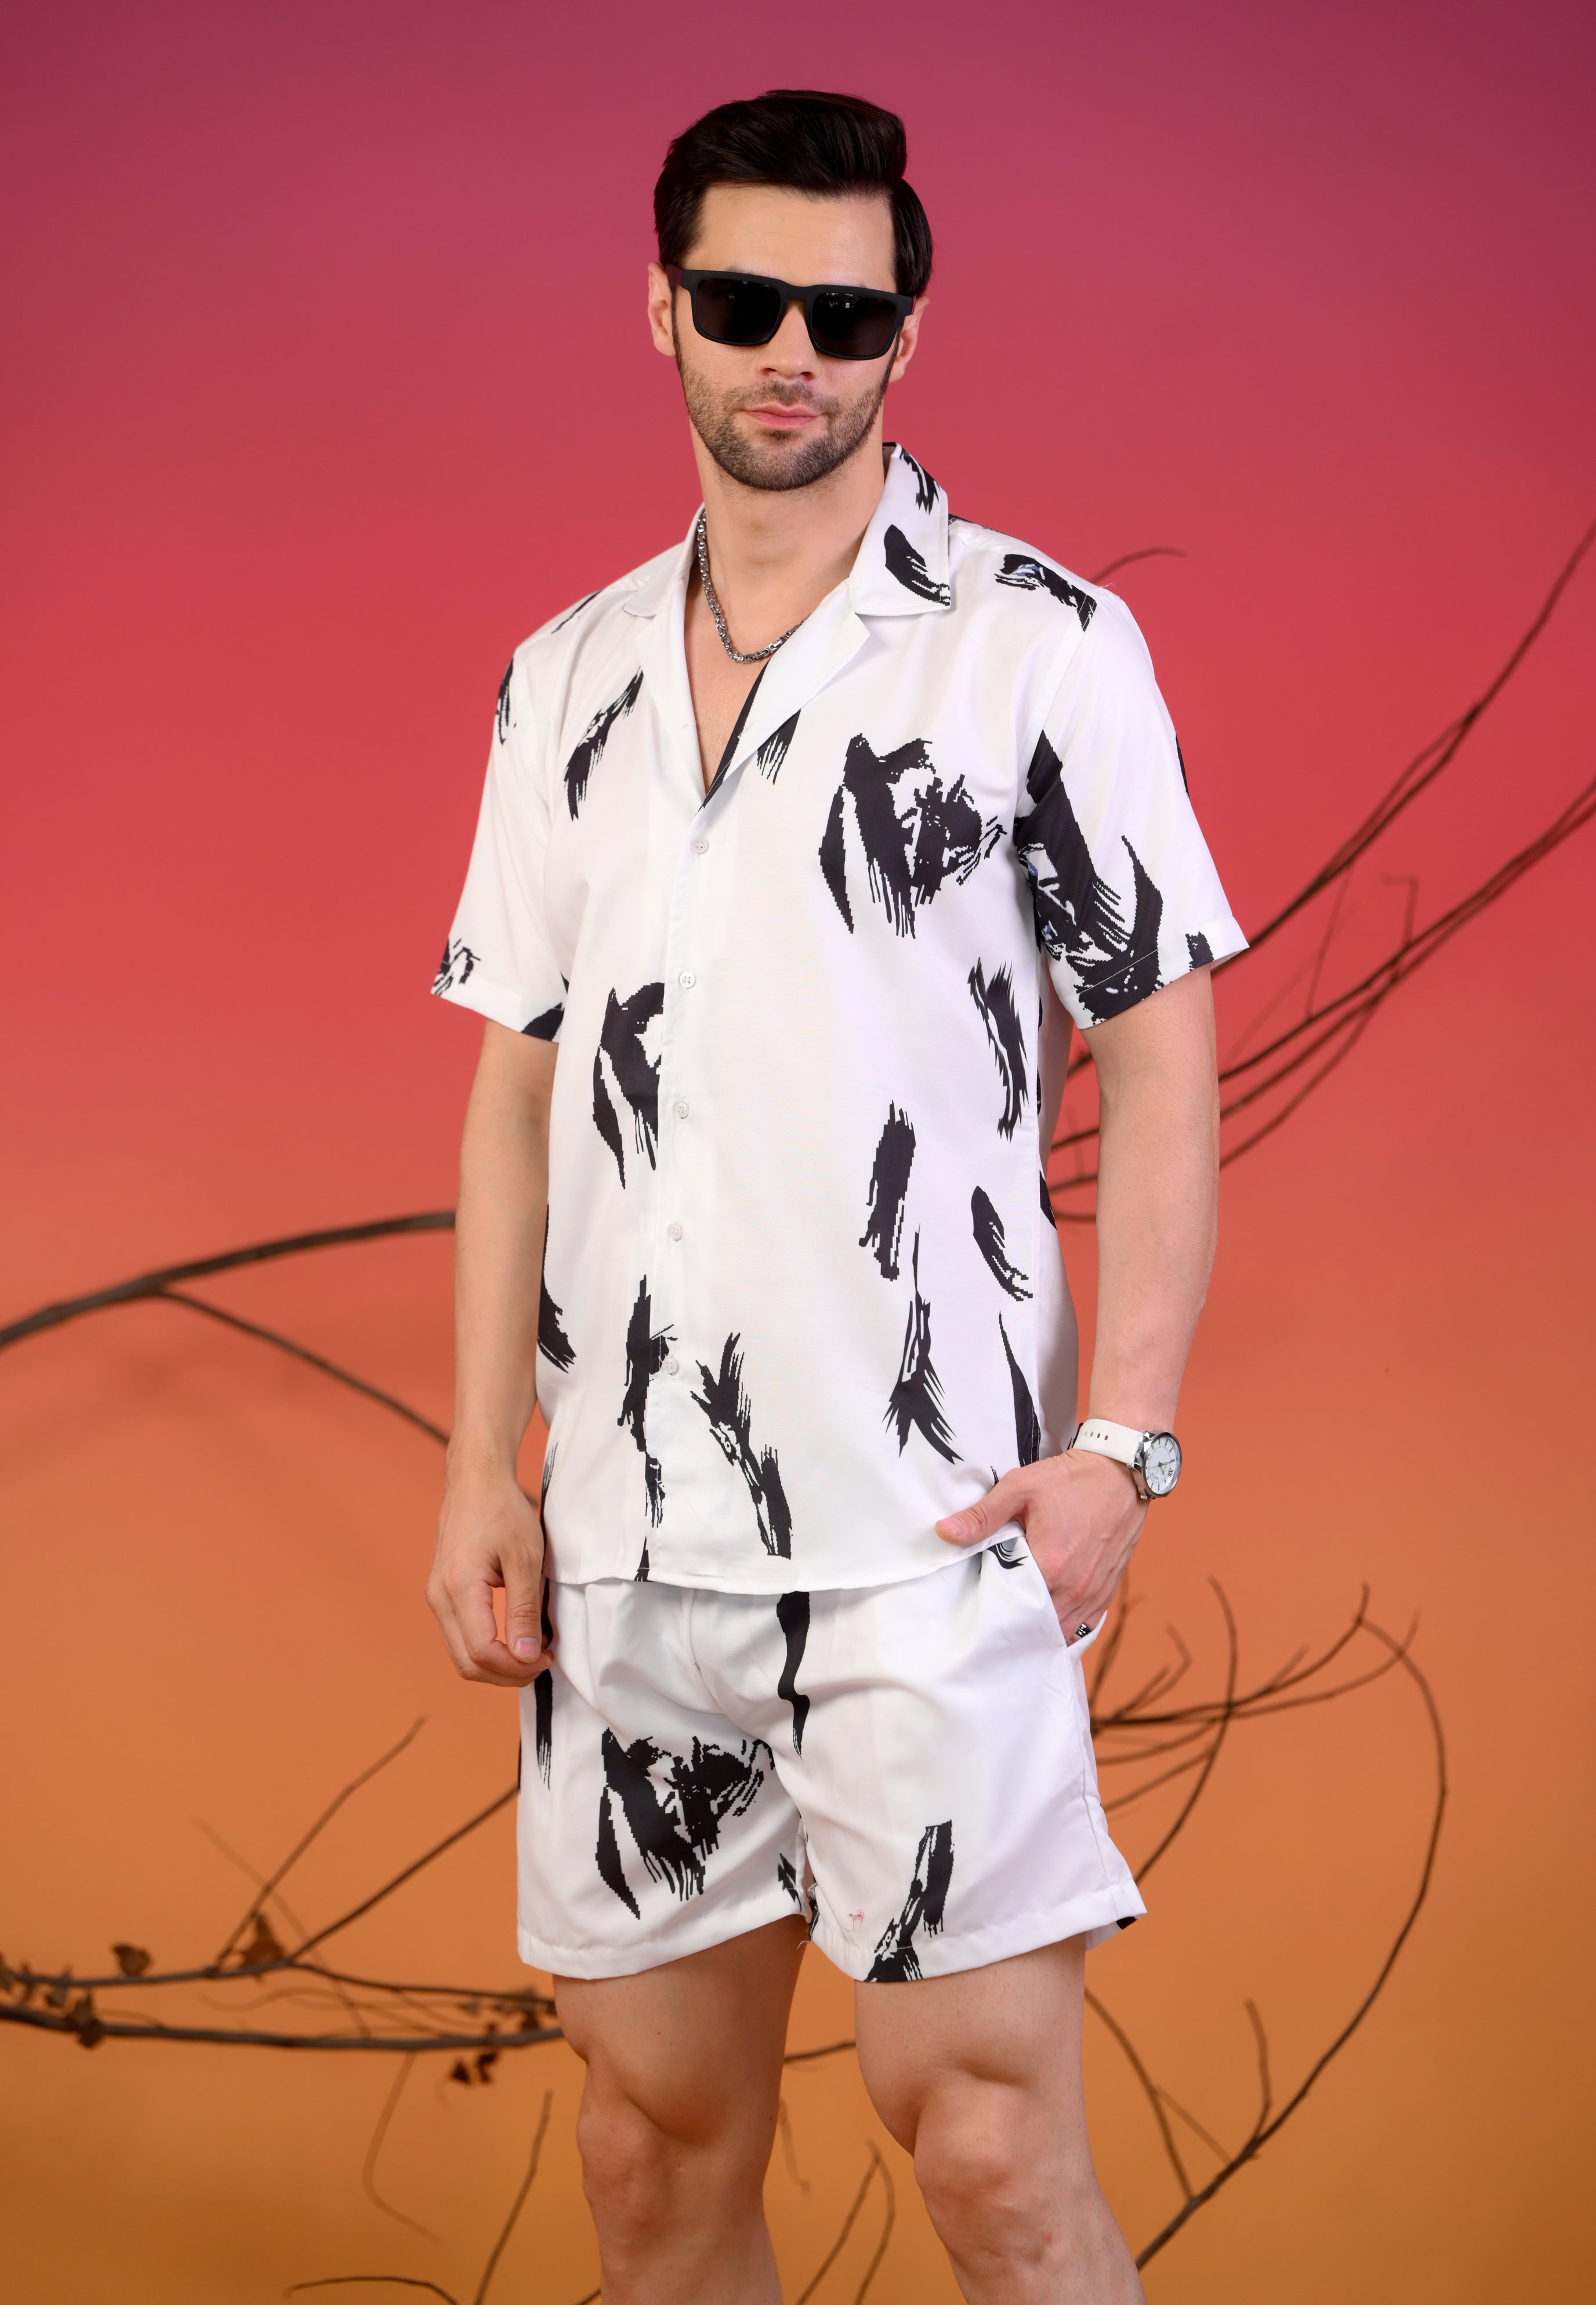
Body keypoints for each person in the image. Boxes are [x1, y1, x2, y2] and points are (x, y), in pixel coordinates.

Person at [427, 86, 1244, 2305]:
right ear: (663, 312)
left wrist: (1126, 1445)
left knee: (989, 2154)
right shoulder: (565, 678)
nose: (795, 350)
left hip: (925, 1537)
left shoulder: (1037, 646)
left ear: (908, 332)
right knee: (647, 2157)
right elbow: (518, 1084)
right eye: (745, 301)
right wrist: (479, 1463)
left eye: (848, 312)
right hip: (627, 1546)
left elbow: (1161, 1046)